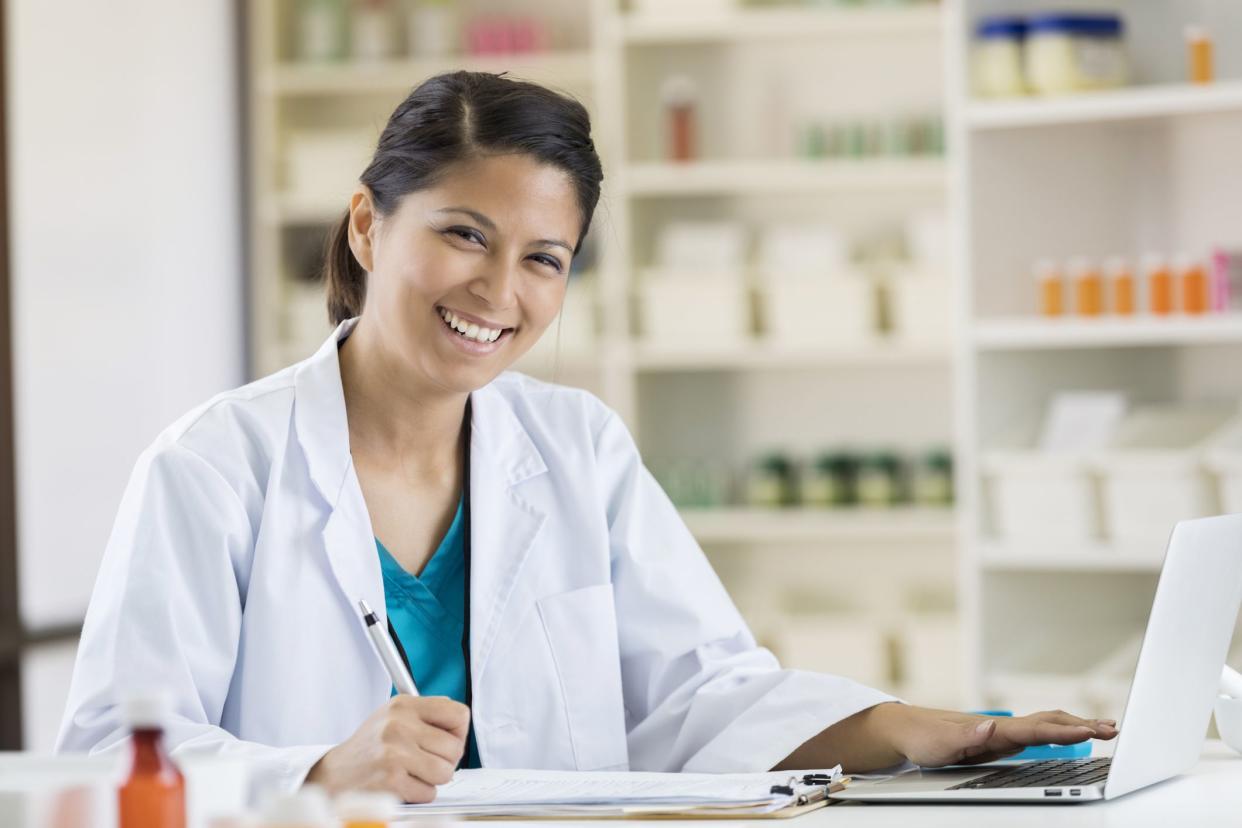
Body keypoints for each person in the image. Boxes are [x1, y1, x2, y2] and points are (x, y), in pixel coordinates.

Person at [57, 71, 1116, 802]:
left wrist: (932, 733)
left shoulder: (577, 448)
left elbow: (705, 695)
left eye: (543, 258)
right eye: (463, 234)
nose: (497, 289)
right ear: (369, 225)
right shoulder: (214, 468)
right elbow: (107, 756)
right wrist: (320, 772)